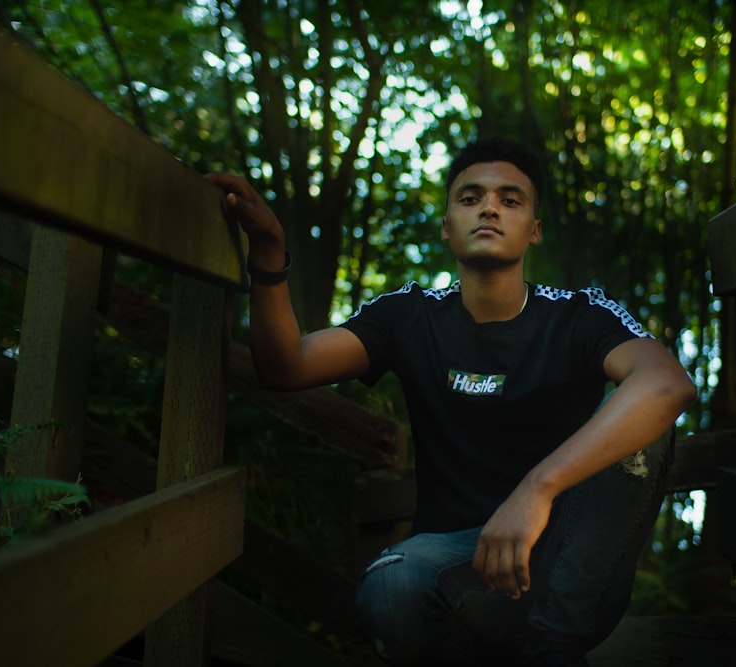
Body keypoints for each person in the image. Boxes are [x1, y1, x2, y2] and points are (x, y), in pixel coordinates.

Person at [207, 137, 695, 666]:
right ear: (446, 225)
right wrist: (270, 253)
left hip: (567, 565)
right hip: (456, 574)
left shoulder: (579, 315)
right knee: (390, 586)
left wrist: (537, 488)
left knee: (647, 420)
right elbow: (285, 367)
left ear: (534, 231)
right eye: (470, 197)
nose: (489, 207)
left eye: (510, 199)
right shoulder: (409, 315)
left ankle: (551, 651)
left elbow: (667, 385)